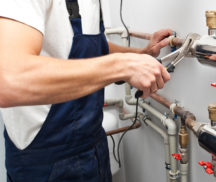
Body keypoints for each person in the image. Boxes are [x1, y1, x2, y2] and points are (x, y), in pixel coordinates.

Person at [0, 0, 172, 181]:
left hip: (93, 145)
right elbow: (9, 80)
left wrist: (140, 55)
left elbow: (93, 48)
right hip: (45, 161)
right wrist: (122, 66)